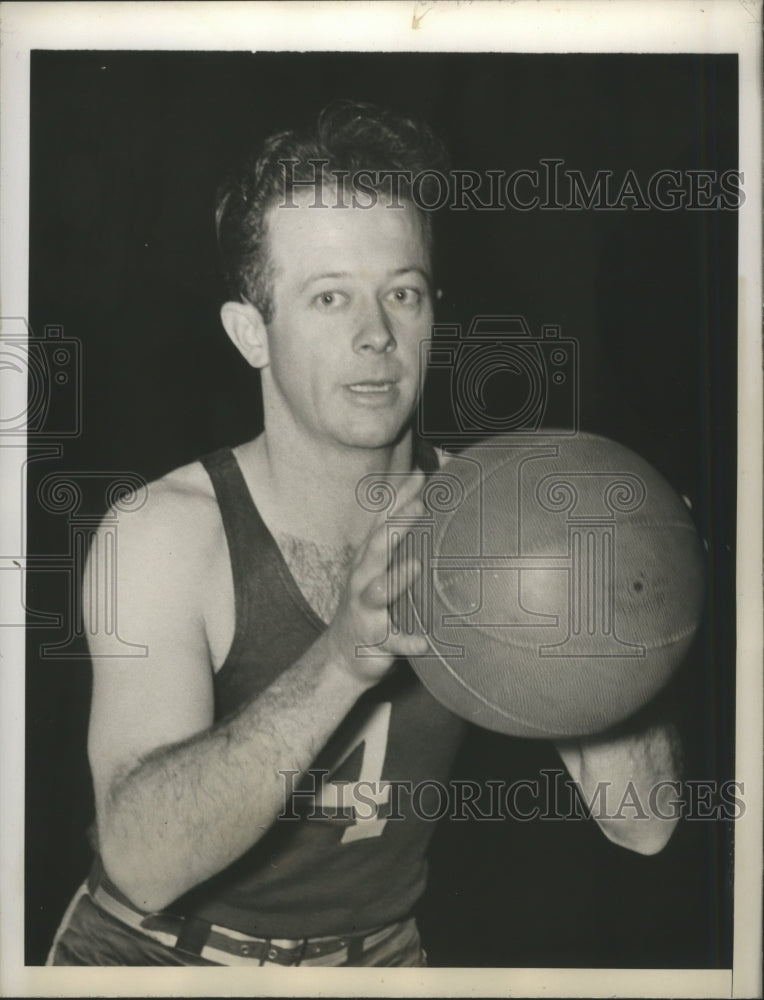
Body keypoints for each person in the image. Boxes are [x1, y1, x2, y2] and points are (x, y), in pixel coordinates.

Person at [47, 100, 681, 968]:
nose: (376, 334)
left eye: (402, 293)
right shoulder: (163, 535)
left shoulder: (502, 519)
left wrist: (622, 615)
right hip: (153, 956)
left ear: (433, 314)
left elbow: (645, 824)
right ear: (250, 333)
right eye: (329, 297)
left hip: (376, 959)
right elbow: (141, 865)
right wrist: (342, 659)